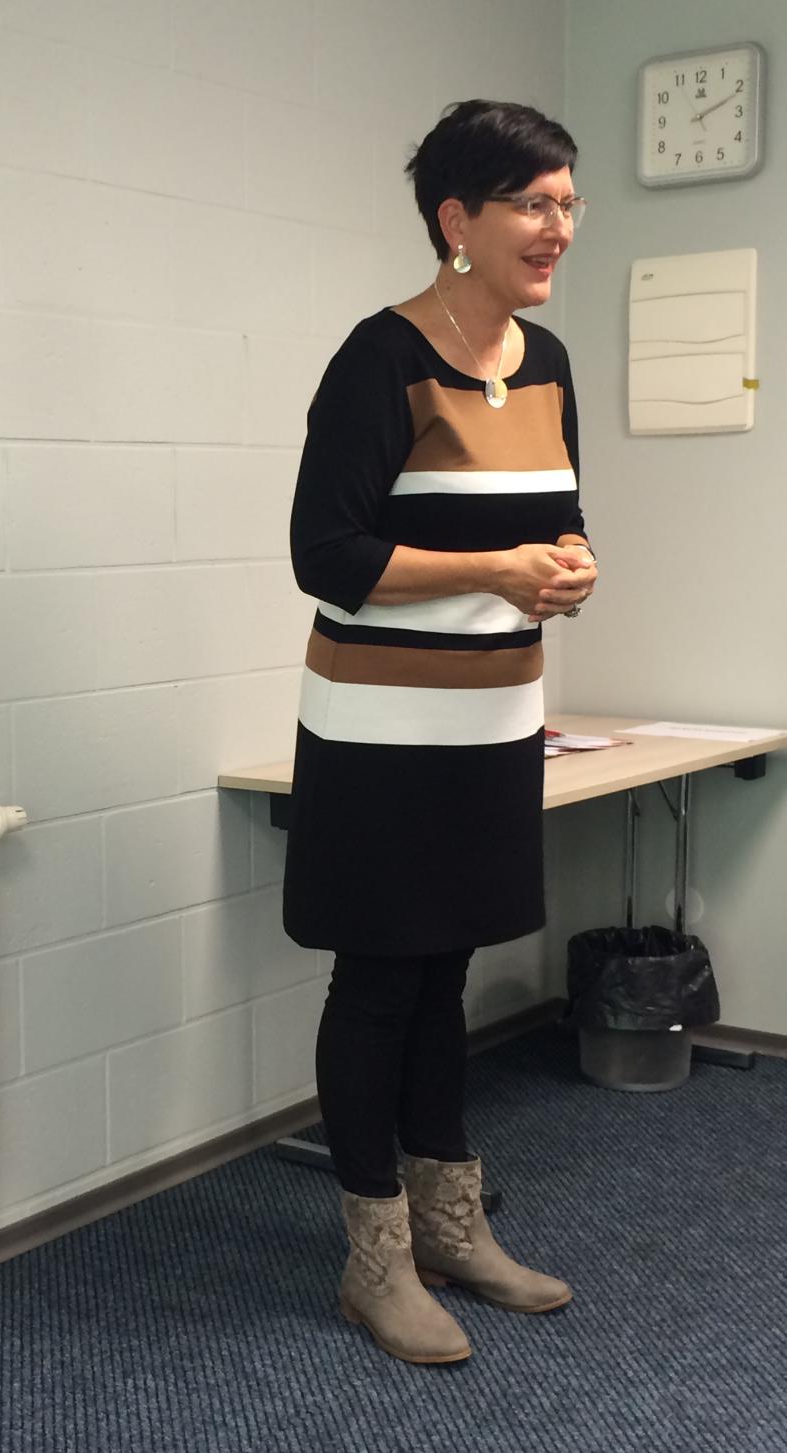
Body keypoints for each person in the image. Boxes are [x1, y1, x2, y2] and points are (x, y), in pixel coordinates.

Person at [283, 99, 597, 1365]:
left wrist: (569, 567)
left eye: (567, 202)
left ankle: (450, 1227)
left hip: (493, 724)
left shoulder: (549, 360)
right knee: (379, 981)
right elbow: (327, 554)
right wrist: (496, 569)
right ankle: (375, 1262)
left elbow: (560, 521)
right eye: (533, 203)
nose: (558, 226)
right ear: (456, 219)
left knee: (446, 971)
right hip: (377, 733)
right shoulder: (380, 358)